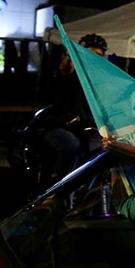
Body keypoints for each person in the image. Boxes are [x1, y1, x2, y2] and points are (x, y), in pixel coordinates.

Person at [40, 33, 108, 183]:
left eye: (97, 55)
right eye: (89, 53)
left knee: (102, 151)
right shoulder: (74, 71)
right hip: (60, 126)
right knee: (71, 145)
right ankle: (59, 186)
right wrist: (72, 54)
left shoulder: (100, 80)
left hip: (87, 128)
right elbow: (65, 69)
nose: (93, 58)